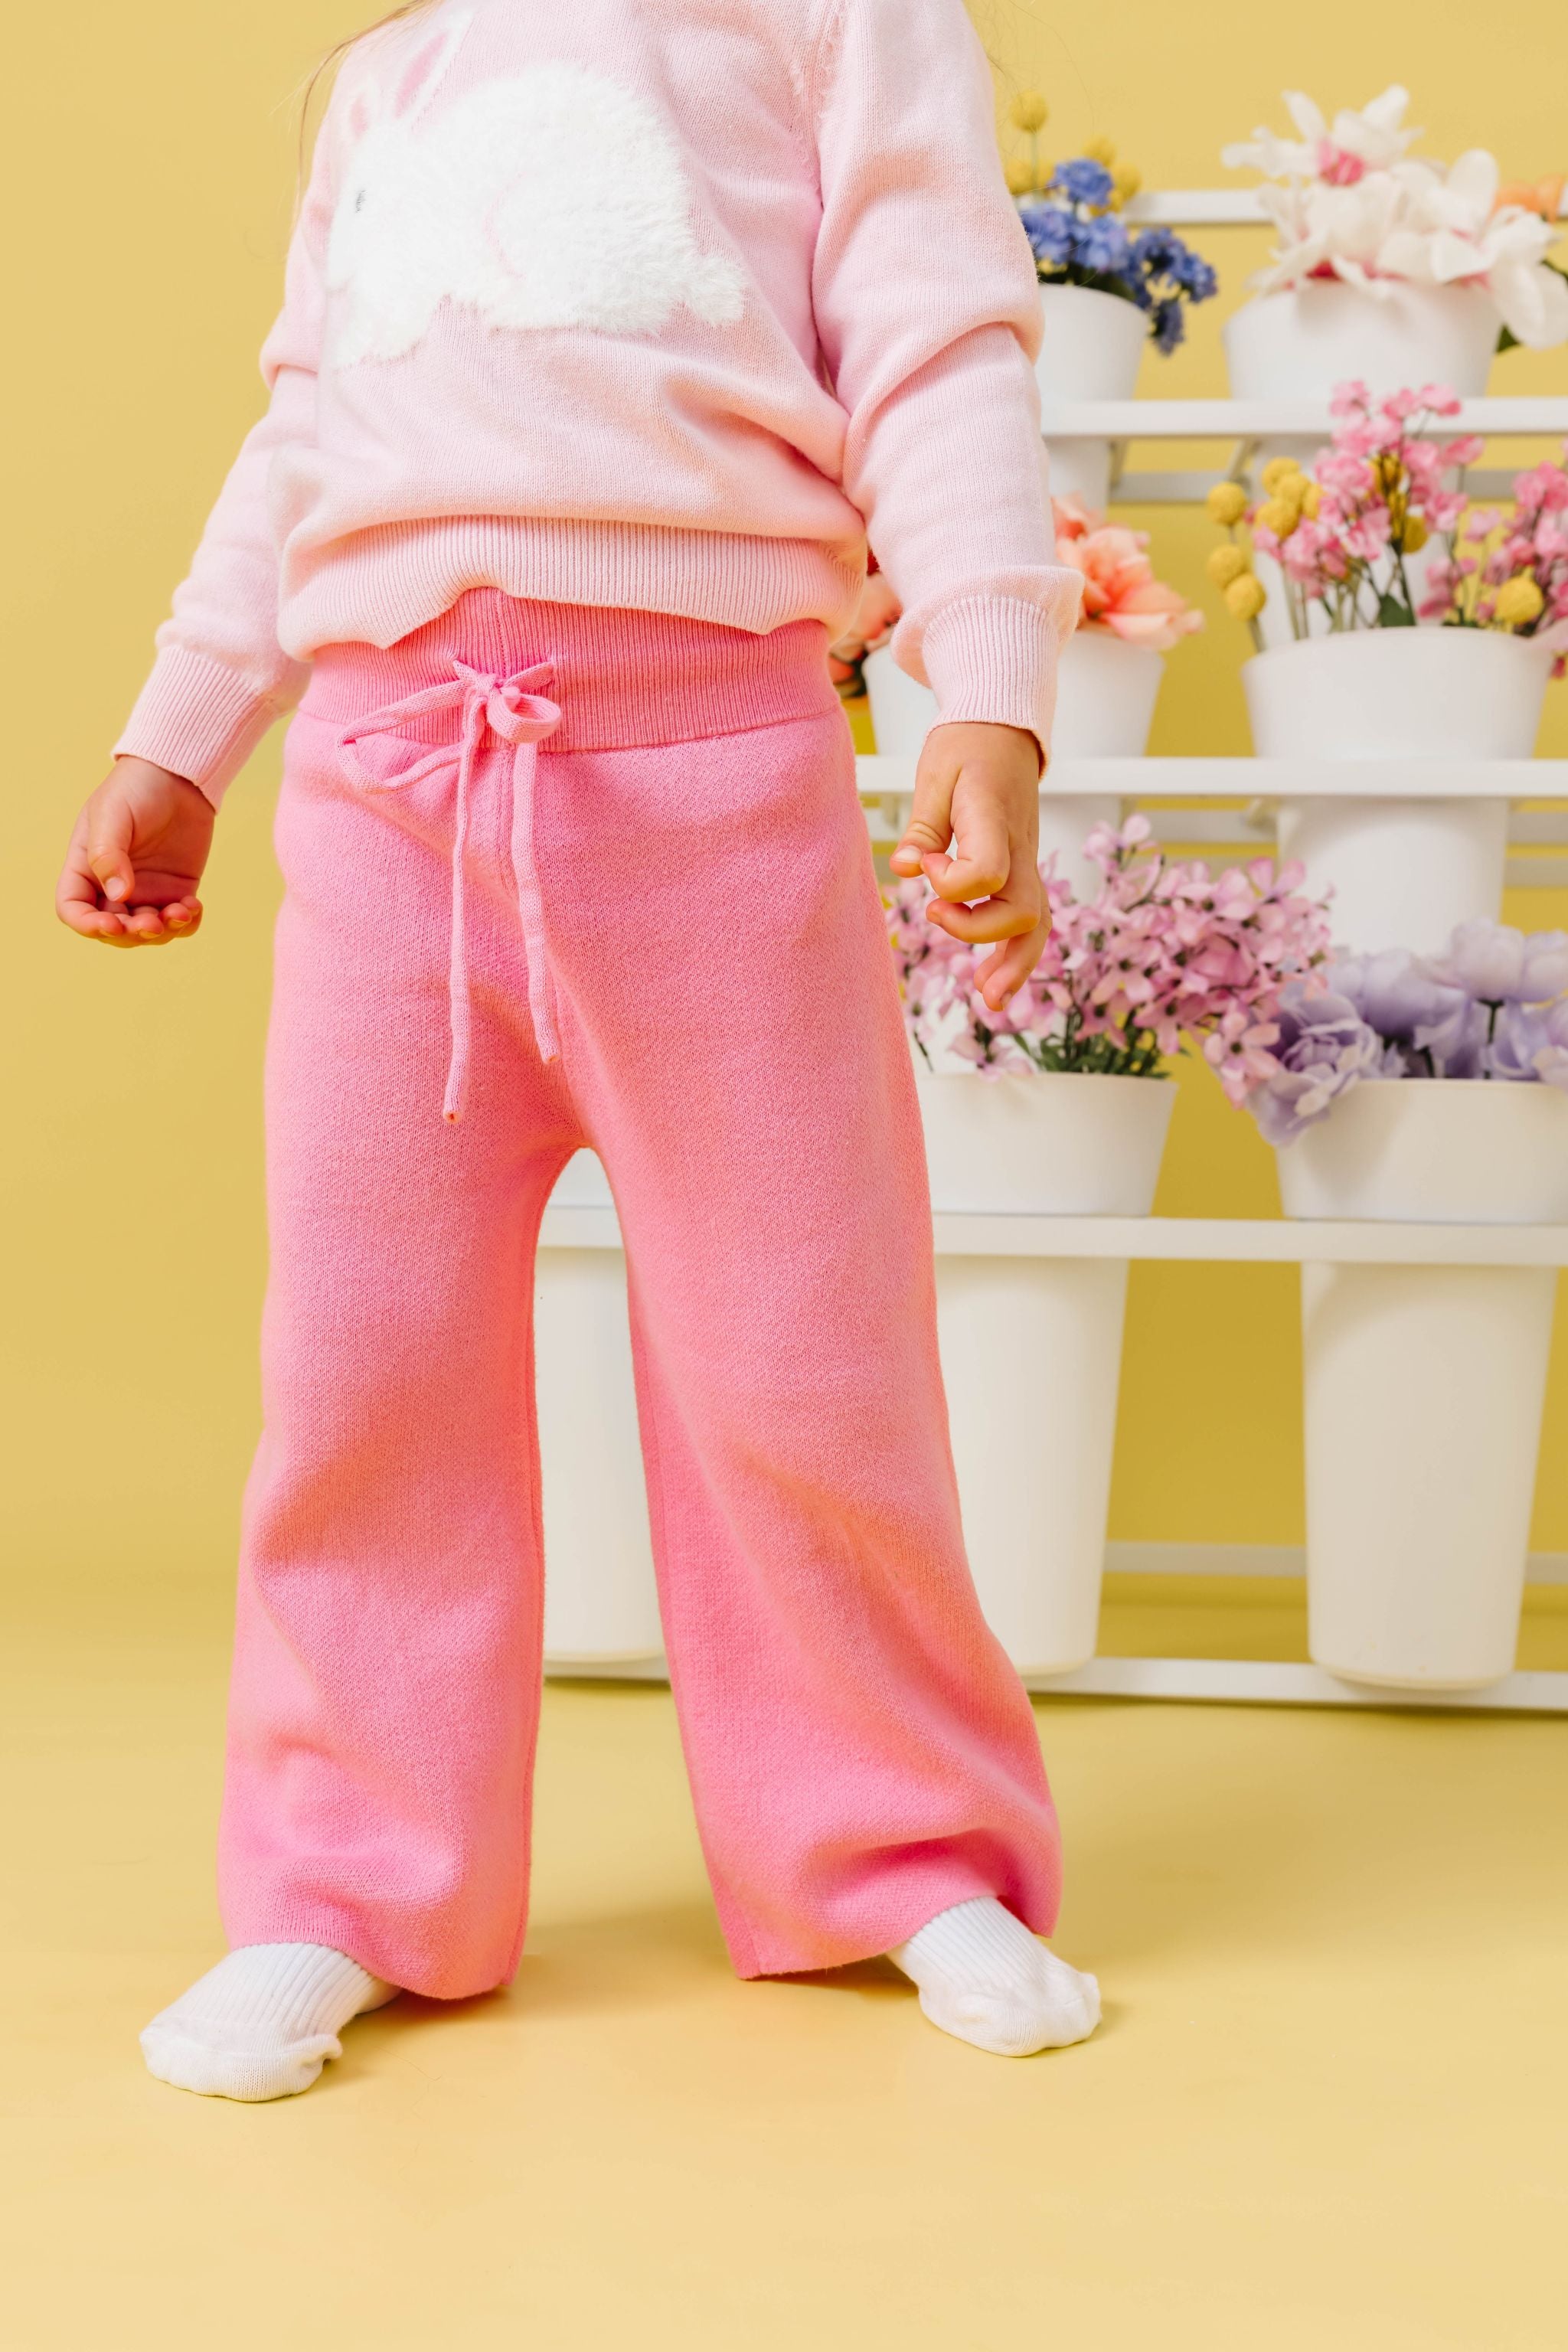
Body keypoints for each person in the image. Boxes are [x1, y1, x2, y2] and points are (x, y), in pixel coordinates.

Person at [57, 0, 1096, 2101]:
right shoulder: (393, 71)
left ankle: (893, 1853)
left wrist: (984, 681)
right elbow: (304, 436)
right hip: (383, 797)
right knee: (365, 1373)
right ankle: (340, 1889)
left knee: (804, 1354)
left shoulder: (840, 23)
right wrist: (182, 736)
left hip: (716, 785)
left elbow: (936, 340)